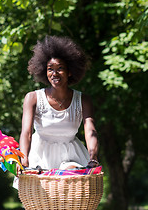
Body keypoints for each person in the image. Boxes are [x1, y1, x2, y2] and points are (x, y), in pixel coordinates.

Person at [19, 35, 99, 171]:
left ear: (69, 72)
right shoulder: (32, 98)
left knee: (73, 176)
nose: (54, 73)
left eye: (60, 68)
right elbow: (26, 132)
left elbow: (90, 130)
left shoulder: (83, 100)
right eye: (50, 69)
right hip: (40, 157)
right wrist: (24, 158)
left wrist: (93, 157)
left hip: (71, 157)